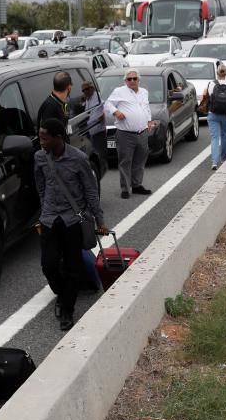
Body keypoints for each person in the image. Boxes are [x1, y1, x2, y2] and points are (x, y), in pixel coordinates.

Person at [34, 118, 109, 329]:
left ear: (58, 138)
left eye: (44, 138)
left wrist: (99, 219)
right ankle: (63, 293)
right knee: (48, 265)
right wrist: (45, 209)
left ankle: (67, 309)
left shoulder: (78, 159)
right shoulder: (39, 158)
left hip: (72, 220)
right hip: (49, 219)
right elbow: (40, 186)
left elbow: (90, 191)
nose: (41, 142)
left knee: (72, 266)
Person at [104, 69, 155, 198]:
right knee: (125, 161)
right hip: (125, 133)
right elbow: (108, 104)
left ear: (139, 80)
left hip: (142, 132)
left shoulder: (144, 92)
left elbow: (146, 108)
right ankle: (125, 189)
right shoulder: (119, 91)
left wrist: (149, 121)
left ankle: (137, 185)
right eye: (129, 79)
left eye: (134, 78)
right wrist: (116, 112)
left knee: (140, 160)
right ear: (125, 80)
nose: (132, 81)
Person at [202, 63, 226, 170]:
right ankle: (224, 157)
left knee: (214, 138)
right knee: (224, 136)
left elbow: (205, 96)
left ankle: (214, 161)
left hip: (213, 114)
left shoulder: (211, 84)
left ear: (217, 73)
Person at [80, 80, 106, 165]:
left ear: (92, 88)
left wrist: (98, 120)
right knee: (94, 153)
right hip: (91, 131)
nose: (85, 92)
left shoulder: (98, 98)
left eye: (87, 89)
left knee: (100, 154)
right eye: (83, 90)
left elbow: (102, 114)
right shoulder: (88, 99)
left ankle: (103, 167)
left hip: (99, 131)